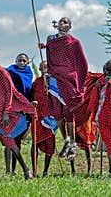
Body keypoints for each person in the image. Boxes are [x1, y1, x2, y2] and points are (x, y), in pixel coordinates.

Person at [0, 48, 36, 180]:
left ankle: (26, 170)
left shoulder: (1, 72)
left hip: (1, 112)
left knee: (9, 142)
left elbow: (10, 91)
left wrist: (6, 112)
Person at [39, 17, 88, 161]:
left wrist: (78, 81)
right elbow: (49, 56)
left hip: (68, 79)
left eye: (66, 22)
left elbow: (81, 63)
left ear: (70, 26)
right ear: (57, 25)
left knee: (68, 112)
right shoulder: (51, 39)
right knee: (56, 111)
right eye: (61, 21)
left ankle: (73, 143)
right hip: (54, 77)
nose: (63, 23)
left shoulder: (74, 42)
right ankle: (66, 139)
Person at [5, 53, 33, 175]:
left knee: (17, 141)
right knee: (8, 139)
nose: (21, 63)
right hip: (12, 108)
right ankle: (8, 170)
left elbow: (29, 90)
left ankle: (14, 169)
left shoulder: (29, 73)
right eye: (19, 60)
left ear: (27, 63)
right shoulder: (10, 71)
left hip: (24, 110)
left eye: (24, 61)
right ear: (15, 61)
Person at [30, 61, 57, 177]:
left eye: (46, 67)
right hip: (37, 116)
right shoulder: (36, 82)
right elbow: (31, 96)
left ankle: (45, 171)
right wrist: (33, 102)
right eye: (42, 68)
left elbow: (58, 98)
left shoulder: (54, 82)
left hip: (50, 116)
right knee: (35, 142)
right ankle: (35, 170)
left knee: (50, 144)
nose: (44, 69)